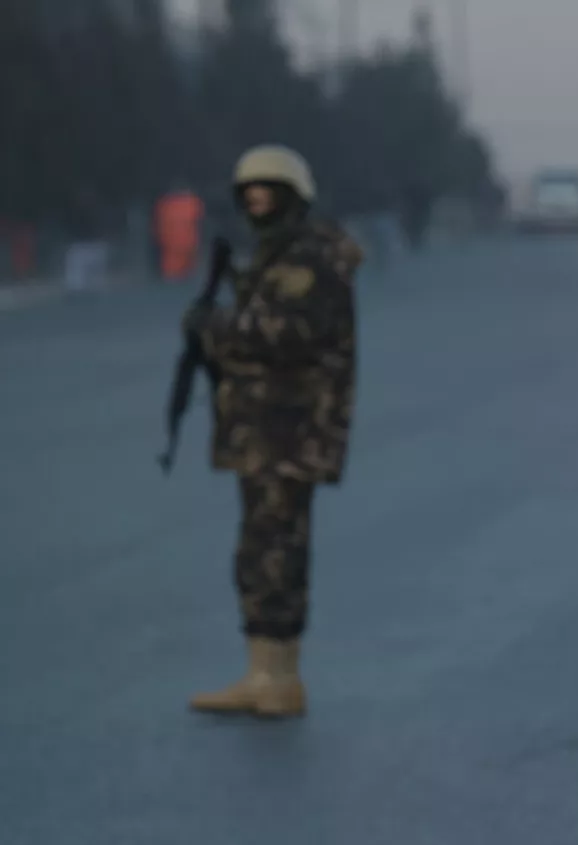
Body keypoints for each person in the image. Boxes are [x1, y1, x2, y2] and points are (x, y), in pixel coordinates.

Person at [183, 144, 362, 718]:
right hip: (267, 427)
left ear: (293, 198)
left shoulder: (309, 259)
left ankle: (278, 679)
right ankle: (264, 673)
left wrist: (216, 327)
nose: (256, 202)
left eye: (268, 193)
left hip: (290, 430)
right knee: (262, 548)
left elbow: (288, 333)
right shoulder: (278, 254)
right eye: (249, 195)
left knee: (275, 549)